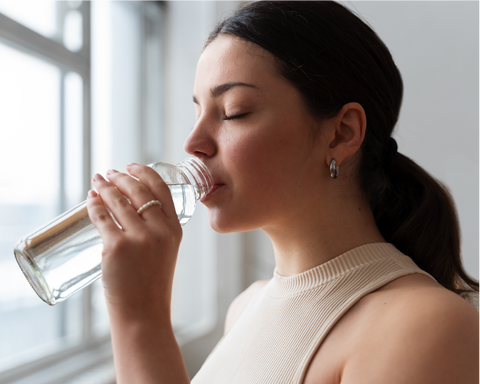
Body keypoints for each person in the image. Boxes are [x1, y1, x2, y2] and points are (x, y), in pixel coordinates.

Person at [86, 0, 480, 382]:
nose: (193, 142)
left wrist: (139, 317)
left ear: (342, 133)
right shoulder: (245, 307)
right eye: (197, 112)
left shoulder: (425, 325)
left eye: (234, 111)